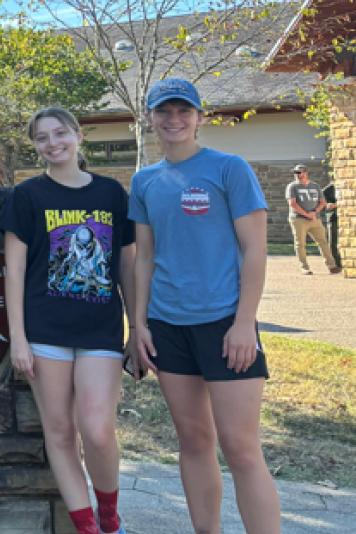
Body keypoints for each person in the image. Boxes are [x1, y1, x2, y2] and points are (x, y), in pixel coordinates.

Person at [129, 78, 281, 534]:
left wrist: (244, 323)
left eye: (183, 111)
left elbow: (255, 250)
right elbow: (144, 258)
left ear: (199, 116)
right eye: (164, 112)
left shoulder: (229, 168)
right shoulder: (144, 181)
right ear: (151, 118)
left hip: (224, 324)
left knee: (239, 447)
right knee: (194, 440)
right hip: (168, 326)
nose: (173, 120)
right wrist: (138, 327)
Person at [0, 107, 134, 534]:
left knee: (96, 430)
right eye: (42, 137)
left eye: (60, 133)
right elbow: (14, 270)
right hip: (44, 332)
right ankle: (88, 528)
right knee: (59, 434)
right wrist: (18, 338)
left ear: (78, 136)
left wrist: (138, 327)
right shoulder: (27, 195)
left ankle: (109, 515)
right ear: (35, 146)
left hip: (101, 331)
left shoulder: (112, 194)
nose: (52, 143)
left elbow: (127, 267)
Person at [285, 164, 337, 275]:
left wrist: (314, 212)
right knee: (300, 243)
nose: (297, 175)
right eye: (295, 173)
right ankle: (304, 267)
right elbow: (292, 203)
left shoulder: (315, 186)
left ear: (305, 173)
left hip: (315, 219)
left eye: (299, 173)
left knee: (323, 241)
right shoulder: (292, 187)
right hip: (298, 219)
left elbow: (322, 202)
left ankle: (332, 266)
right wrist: (306, 214)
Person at [324, 180, 342, 270]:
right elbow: (328, 205)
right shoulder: (326, 191)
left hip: (345, 217)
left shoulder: (343, 188)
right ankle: (336, 262)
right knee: (333, 241)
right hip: (333, 217)